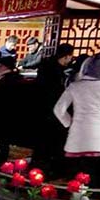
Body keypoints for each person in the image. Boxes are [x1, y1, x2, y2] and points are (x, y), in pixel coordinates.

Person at [54, 53, 100, 187]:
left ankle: (77, 197)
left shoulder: (75, 86)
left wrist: (69, 123)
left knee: (76, 172)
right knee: (94, 170)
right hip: (99, 133)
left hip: (77, 131)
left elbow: (58, 109)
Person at [31, 43, 74, 174]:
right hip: (53, 108)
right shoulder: (56, 70)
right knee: (50, 139)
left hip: (41, 107)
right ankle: (46, 168)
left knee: (42, 140)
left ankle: (37, 166)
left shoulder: (46, 65)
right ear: (66, 56)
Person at [0, 56, 23, 168]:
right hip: (5, 114)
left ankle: (0, 163)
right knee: (2, 141)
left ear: (5, 67)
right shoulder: (7, 77)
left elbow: (1, 97)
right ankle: (0, 163)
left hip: (1, 113)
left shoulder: (7, 79)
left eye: (0, 66)